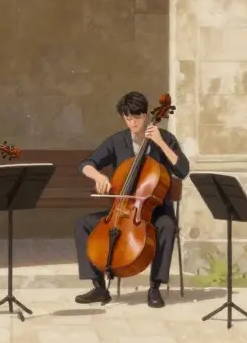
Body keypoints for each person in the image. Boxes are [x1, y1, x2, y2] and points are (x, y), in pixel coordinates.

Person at [72, 91, 190, 308]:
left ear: (146, 115)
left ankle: (155, 287)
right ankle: (99, 288)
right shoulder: (117, 141)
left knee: (167, 226)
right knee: (83, 223)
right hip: (123, 212)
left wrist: (161, 143)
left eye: (137, 117)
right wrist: (98, 176)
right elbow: (86, 164)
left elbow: (183, 170)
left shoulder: (165, 138)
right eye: (128, 118)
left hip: (156, 212)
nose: (133, 123)